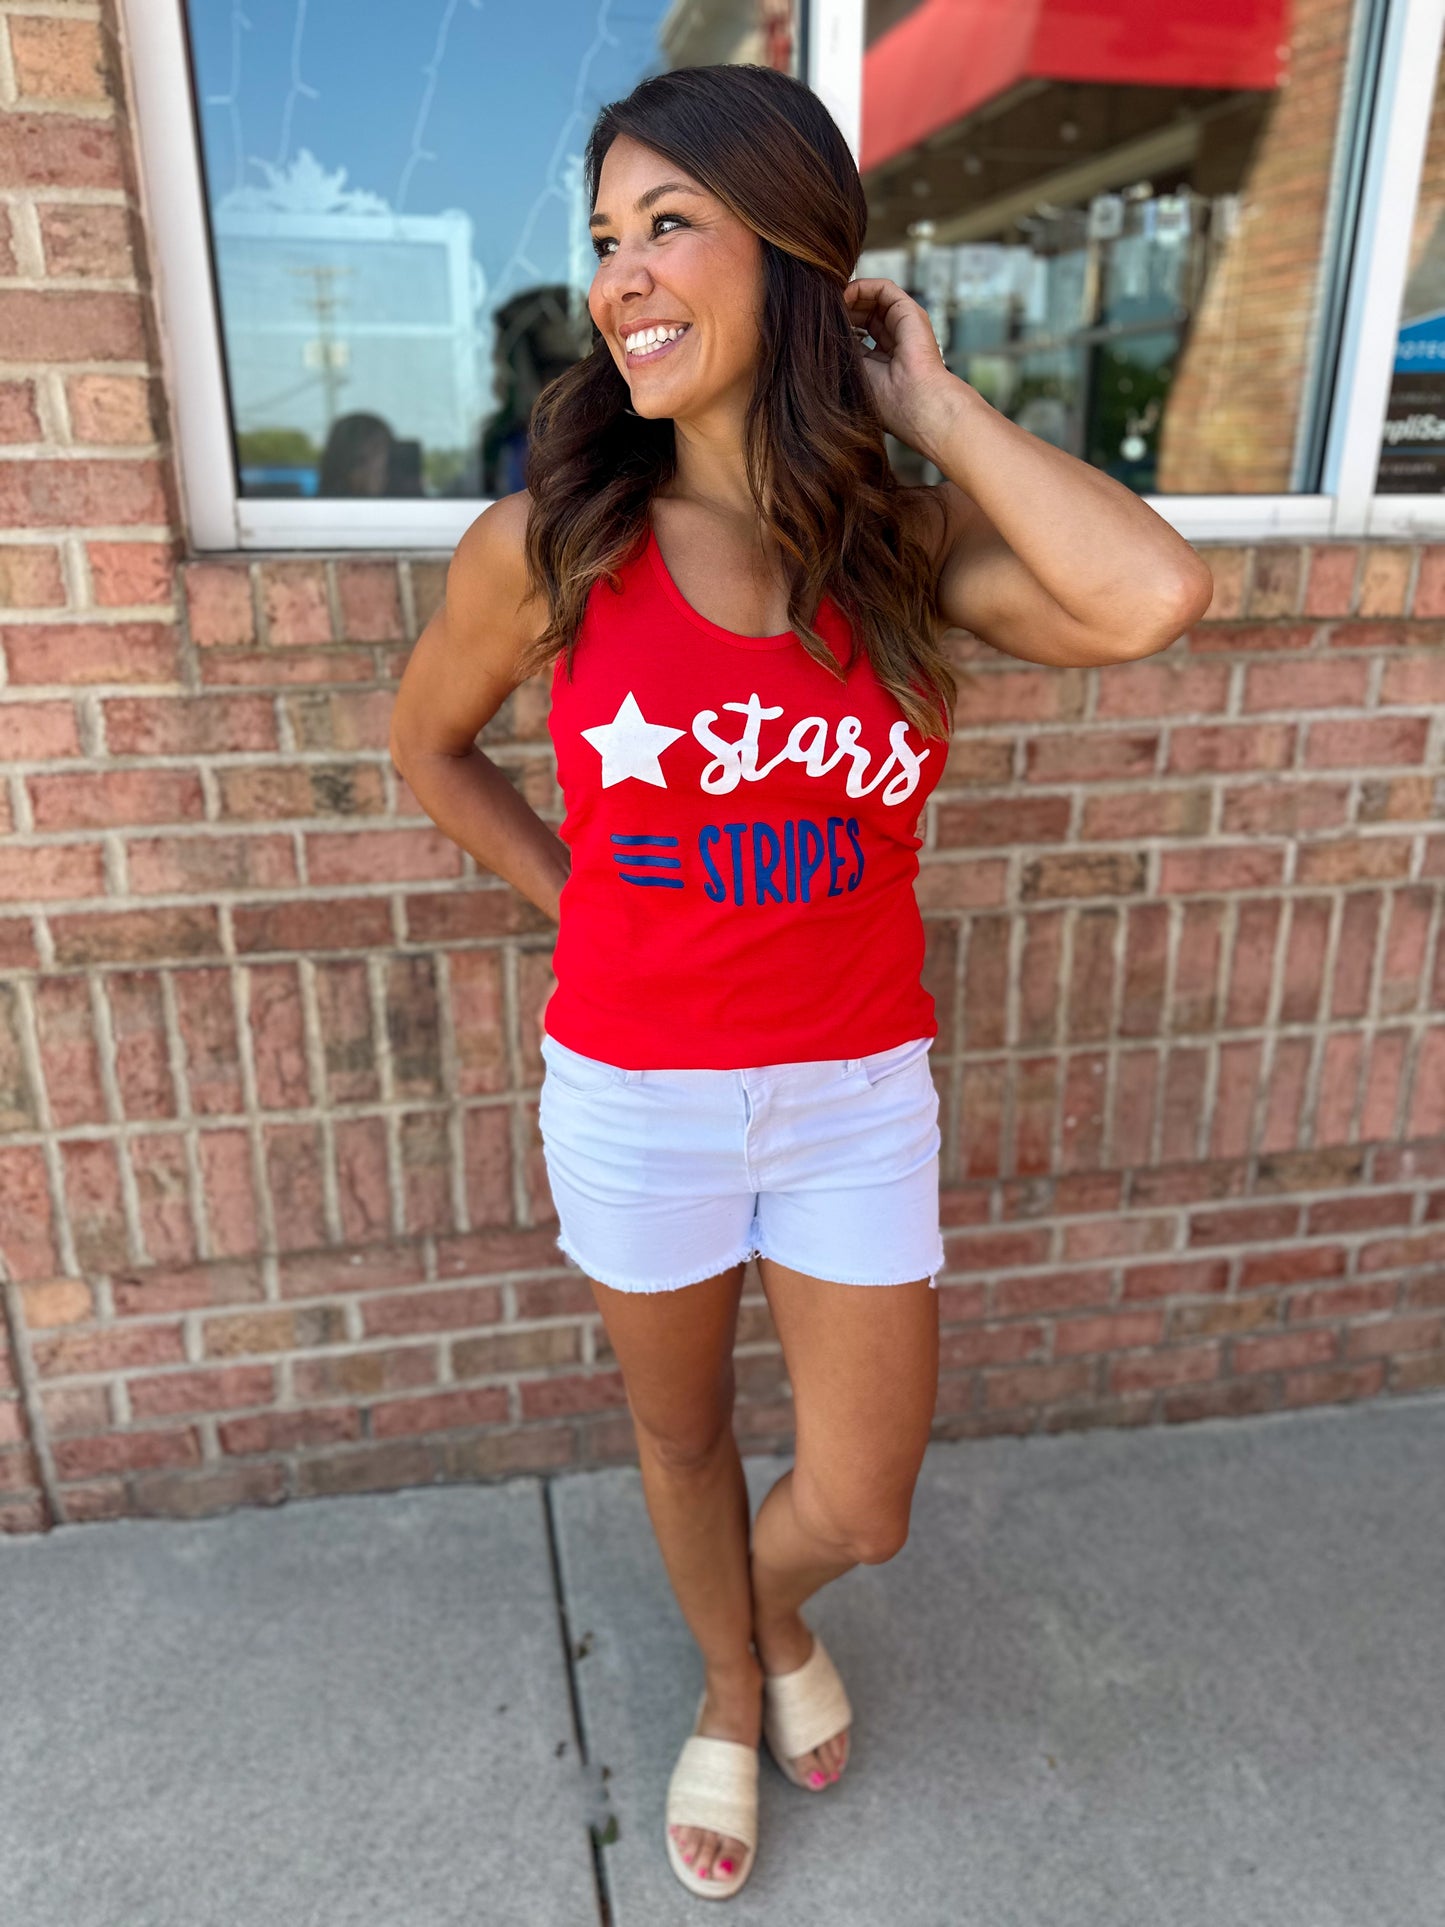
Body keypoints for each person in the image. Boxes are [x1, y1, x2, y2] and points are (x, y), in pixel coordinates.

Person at [388, 63, 1212, 1905]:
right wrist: (582, 903)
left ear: (792, 255)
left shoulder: (903, 555)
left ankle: (760, 1614)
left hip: (850, 1094)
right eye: (604, 240)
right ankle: (721, 1678)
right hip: (636, 1092)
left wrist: (925, 397)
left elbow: (1149, 595)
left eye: (669, 222)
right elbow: (429, 750)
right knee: (678, 1429)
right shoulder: (553, 552)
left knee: (861, 1500)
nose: (623, 277)